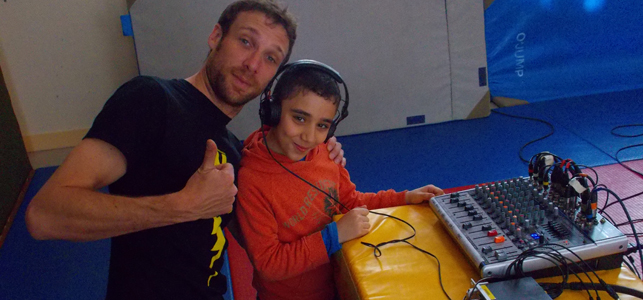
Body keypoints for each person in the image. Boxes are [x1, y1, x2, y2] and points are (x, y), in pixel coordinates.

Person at [24, 1, 346, 299]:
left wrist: (319, 166)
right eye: (246, 42)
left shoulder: (233, 151)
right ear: (216, 36)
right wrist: (183, 206)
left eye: (270, 58)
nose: (252, 65)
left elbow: (268, 249)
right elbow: (45, 215)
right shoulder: (151, 100)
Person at [234, 62, 445, 300]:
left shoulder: (324, 151)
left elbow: (350, 201)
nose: (309, 136)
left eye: (322, 125)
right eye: (299, 118)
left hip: (339, 280)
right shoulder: (253, 181)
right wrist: (333, 235)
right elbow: (269, 264)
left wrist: (404, 197)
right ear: (272, 111)